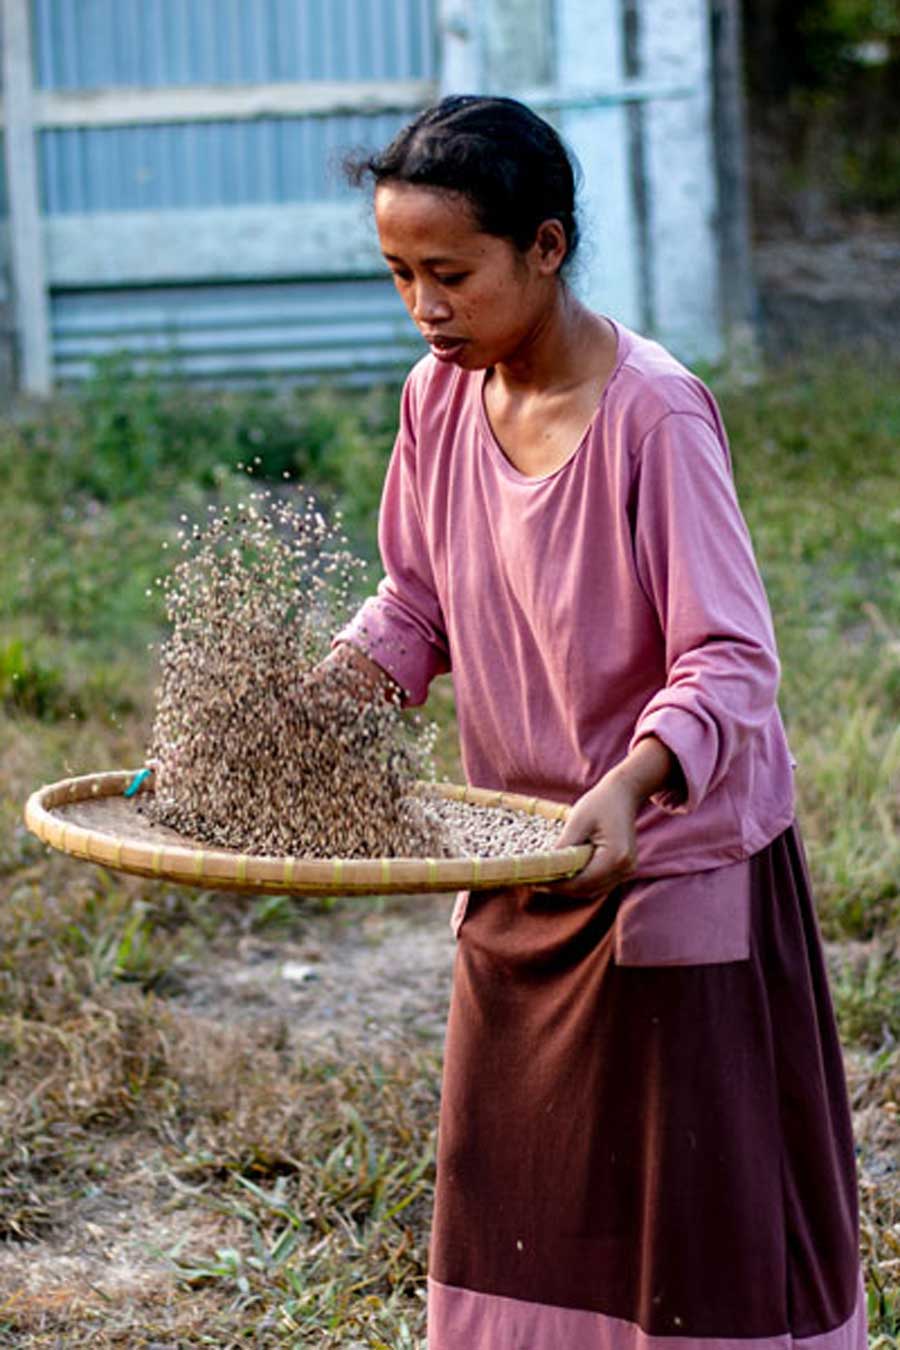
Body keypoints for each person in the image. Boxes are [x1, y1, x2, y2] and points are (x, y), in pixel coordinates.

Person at [328, 95, 866, 1350]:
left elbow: (729, 660)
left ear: (548, 248)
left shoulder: (653, 415)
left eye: (451, 273)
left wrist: (630, 785)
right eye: (401, 274)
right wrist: (317, 700)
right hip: (515, 859)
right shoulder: (438, 398)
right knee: (520, 1198)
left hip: (660, 868)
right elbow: (415, 595)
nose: (425, 306)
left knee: (685, 1233)